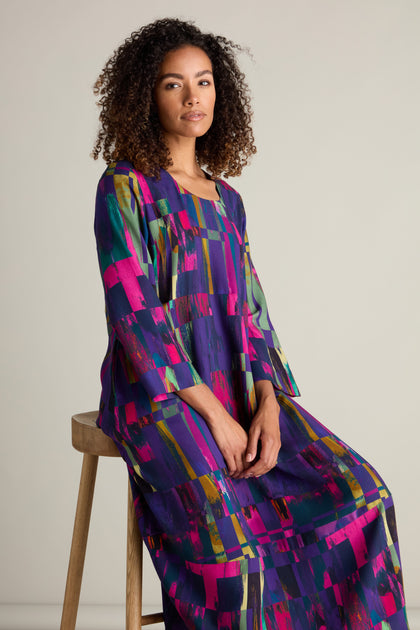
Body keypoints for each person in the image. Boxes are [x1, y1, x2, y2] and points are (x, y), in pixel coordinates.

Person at [92, 17, 409, 629]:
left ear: (221, 92)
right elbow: (136, 317)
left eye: (205, 82)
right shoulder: (124, 187)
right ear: (144, 96)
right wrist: (215, 416)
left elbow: (253, 314)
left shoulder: (227, 198)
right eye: (173, 84)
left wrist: (266, 403)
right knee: (235, 559)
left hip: (242, 385)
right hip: (161, 397)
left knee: (361, 498)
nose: (193, 97)